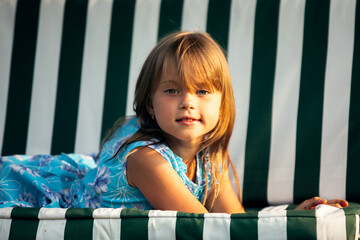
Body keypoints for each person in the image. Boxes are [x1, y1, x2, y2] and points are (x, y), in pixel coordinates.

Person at [0, 32, 348, 212]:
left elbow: (234, 224)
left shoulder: (212, 159)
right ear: (149, 105)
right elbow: (206, 228)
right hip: (33, 188)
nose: (187, 102)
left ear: (222, 103)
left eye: (202, 91)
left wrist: (292, 215)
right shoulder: (147, 160)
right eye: (172, 91)